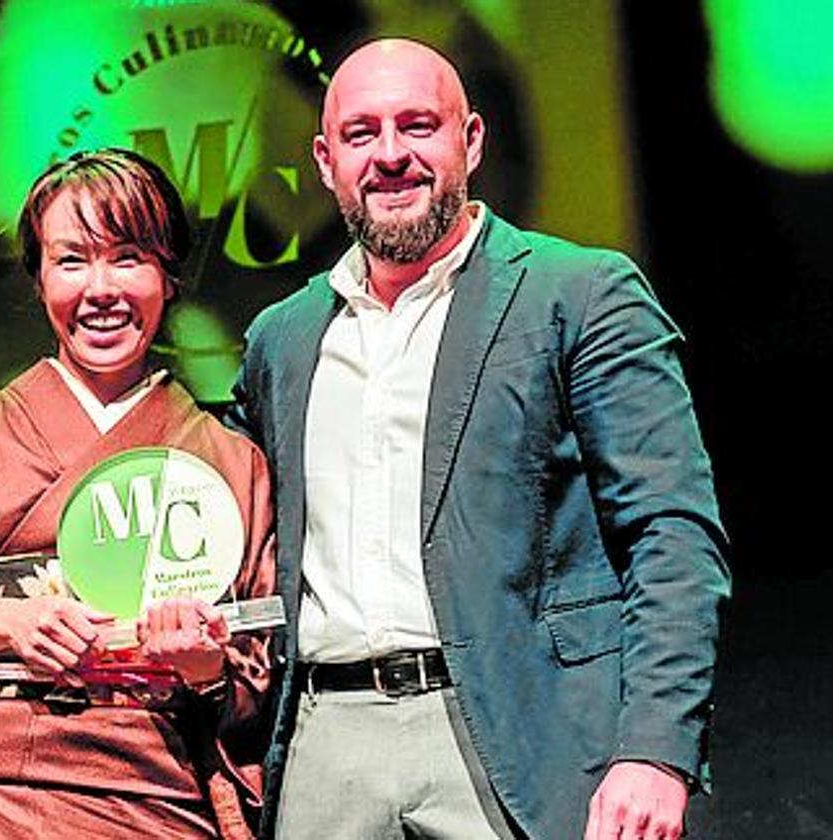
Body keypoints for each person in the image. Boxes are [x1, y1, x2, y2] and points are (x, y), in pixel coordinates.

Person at [227, 38, 731, 840]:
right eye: (362, 134)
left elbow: (672, 534)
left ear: (472, 141)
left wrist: (655, 753)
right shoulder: (279, 341)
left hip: (521, 736)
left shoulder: (579, 294)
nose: (390, 155)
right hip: (328, 742)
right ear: (326, 161)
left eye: (418, 125)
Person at [0, 148, 276, 839]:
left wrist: (205, 664)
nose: (101, 290)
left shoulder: (230, 465)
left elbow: (261, 677)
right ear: (38, 279)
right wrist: (6, 624)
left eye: (128, 257)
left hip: (155, 794)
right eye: (71, 260)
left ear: (168, 276)